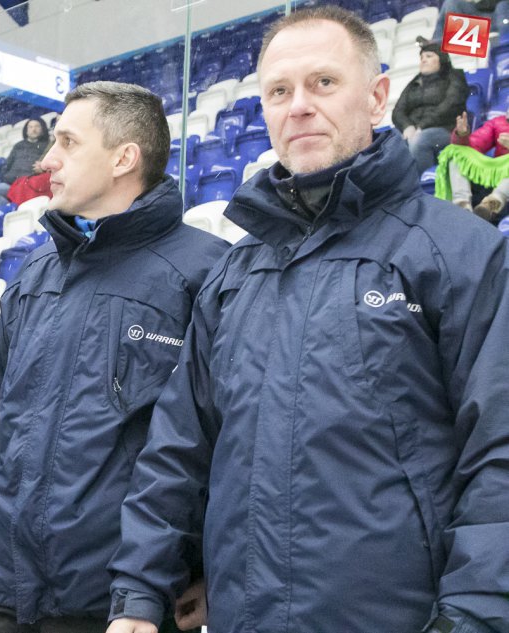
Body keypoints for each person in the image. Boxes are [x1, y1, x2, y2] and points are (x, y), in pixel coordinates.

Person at [108, 6, 509, 633]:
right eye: (279, 91)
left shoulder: (460, 252)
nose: (298, 106)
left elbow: (499, 452)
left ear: (376, 97)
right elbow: (179, 447)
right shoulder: (233, 275)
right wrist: (140, 590)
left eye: (323, 82)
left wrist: (473, 617)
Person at [0, 81, 228, 632]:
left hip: (122, 600)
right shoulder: (33, 274)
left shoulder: (206, 274)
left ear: (124, 158)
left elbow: (225, 444)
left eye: (68, 142)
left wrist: (209, 568)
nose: (47, 159)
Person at [392, 37, 468, 173]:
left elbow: (451, 104)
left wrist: (422, 126)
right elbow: (398, 111)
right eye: (421, 57)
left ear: (441, 59)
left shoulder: (454, 76)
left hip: (444, 129)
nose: (423, 60)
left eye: (429, 56)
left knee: (419, 140)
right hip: (415, 130)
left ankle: (422, 184)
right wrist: (407, 126)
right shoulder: (414, 82)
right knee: (387, 144)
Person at [436, 109, 509, 221]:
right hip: (496, 176)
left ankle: (491, 205)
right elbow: (474, 144)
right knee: (456, 153)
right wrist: (462, 135)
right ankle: (462, 206)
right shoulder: (498, 122)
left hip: (504, 188)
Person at [0, 117, 51, 208]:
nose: (33, 129)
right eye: (30, 127)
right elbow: (7, 164)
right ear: (26, 130)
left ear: (43, 129)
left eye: (37, 126)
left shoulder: (47, 145)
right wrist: (5, 177)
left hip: (30, 184)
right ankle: (13, 210)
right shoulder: (18, 145)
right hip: (11, 184)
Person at [432, 0, 509, 42]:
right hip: (480, 12)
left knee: (502, 6)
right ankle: (435, 44)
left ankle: (437, 43)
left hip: (497, 14)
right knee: (450, 3)